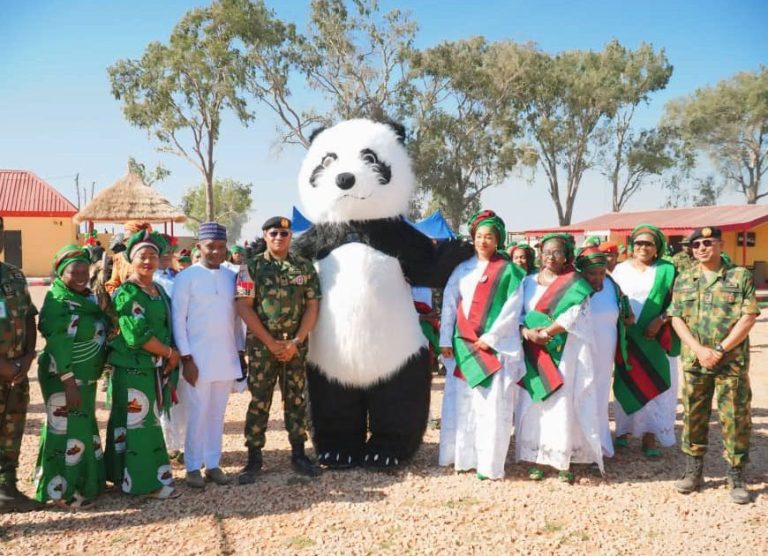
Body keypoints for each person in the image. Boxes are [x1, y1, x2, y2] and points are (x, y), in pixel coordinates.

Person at [669, 226, 759, 504]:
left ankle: (735, 474)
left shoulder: (739, 276)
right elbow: (676, 318)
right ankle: (693, 470)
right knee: (694, 414)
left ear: (720, 244)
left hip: (730, 362)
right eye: (696, 245)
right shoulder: (685, 278)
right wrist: (698, 349)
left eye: (707, 242)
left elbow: (749, 317)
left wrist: (719, 349)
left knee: (734, 417)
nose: (701, 248)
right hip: (695, 361)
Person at [439, 210, 525, 480]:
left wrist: (491, 337)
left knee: (492, 406)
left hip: (494, 349)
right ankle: (464, 458)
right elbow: (450, 303)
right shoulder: (461, 269)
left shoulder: (510, 271)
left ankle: (489, 464)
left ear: (498, 239)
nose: (483, 241)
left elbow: (512, 310)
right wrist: (444, 339)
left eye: (489, 237)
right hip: (465, 345)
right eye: (479, 236)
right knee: (464, 404)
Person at [235, 216, 321, 482]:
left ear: (290, 237)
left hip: (295, 346)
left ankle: (298, 453)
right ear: (264, 236)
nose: (279, 238)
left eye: (284, 234)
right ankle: (254, 458)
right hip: (262, 347)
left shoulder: (304, 267)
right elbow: (243, 306)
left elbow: (312, 306)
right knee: (260, 400)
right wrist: (270, 342)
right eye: (274, 233)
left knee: (296, 398)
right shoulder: (251, 268)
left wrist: (296, 341)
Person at [515, 233, 603, 483]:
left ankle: (563, 459)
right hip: (534, 351)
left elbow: (575, 314)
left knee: (562, 402)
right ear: (539, 254)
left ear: (566, 256)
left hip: (565, 350)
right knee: (536, 403)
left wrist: (546, 332)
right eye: (546, 252)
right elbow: (518, 313)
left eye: (557, 252)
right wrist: (527, 332)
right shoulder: (528, 282)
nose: (551, 257)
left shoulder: (575, 282)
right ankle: (538, 458)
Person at [105, 230, 181, 498]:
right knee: (141, 425)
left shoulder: (157, 289)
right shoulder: (127, 292)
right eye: (142, 256)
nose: (148, 261)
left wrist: (169, 356)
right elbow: (136, 335)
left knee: (134, 422)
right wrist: (170, 353)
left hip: (152, 367)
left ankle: (122, 476)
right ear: (130, 260)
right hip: (133, 368)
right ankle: (144, 484)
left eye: (153, 256)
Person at [34, 245, 110, 508]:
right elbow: (57, 341)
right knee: (64, 429)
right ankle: (63, 492)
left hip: (84, 377)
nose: (79, 275)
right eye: (72, 271)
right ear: (59, 272)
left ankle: (88, 483)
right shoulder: (57, 300)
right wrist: (68, 381)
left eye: (83, 269)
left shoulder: (88, 298)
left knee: (82, 427)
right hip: (63, 376)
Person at [172, 222, 245, 489]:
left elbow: (237, 321)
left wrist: (240, 353)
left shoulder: (230, 277)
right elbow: (178, 320)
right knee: (198, 414)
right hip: (197, 360)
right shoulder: (186, 278)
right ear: (199, 247)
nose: (216, 252)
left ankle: (213, 464)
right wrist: (187, 359)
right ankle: (192, 466)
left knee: (217, 414)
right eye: (210, 246)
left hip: (225, 357)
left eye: (221, 247)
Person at [611, 224, 680, 458]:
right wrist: (623, 315)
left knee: (656, 384)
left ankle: (650, 436)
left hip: (656, 338)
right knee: (626, 381)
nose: (643, 247)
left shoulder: (668, 270)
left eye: (648, 243)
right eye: (638, 243)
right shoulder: (620, 269)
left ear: (657, 247)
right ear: (632, 245)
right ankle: (623, 432)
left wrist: (660, 320)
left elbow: (678, 302)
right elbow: (615, 298)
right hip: (628, 338)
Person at [0, 216, 41, 513]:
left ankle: (7, 488)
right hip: (5, 368)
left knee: (12, 429)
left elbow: (28, 316)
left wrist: (27, 358)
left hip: (17, 372)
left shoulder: (14, 275)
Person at [575, 246, 632, 458]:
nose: (597, 277)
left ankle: (598, 444)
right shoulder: (572, 287)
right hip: (579, 351)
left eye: (601, 272)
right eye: (591, 273)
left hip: (605, 351)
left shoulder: (612, 286)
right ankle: (577, 446)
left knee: (599, 395)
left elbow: (627, 315)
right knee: (580, 392)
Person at [105, 221, 153, 294]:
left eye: (129, 239)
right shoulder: (119, 258)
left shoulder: (152, 258)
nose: (126, 243)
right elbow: (114, 282)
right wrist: (116, 293)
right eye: (125, 240)